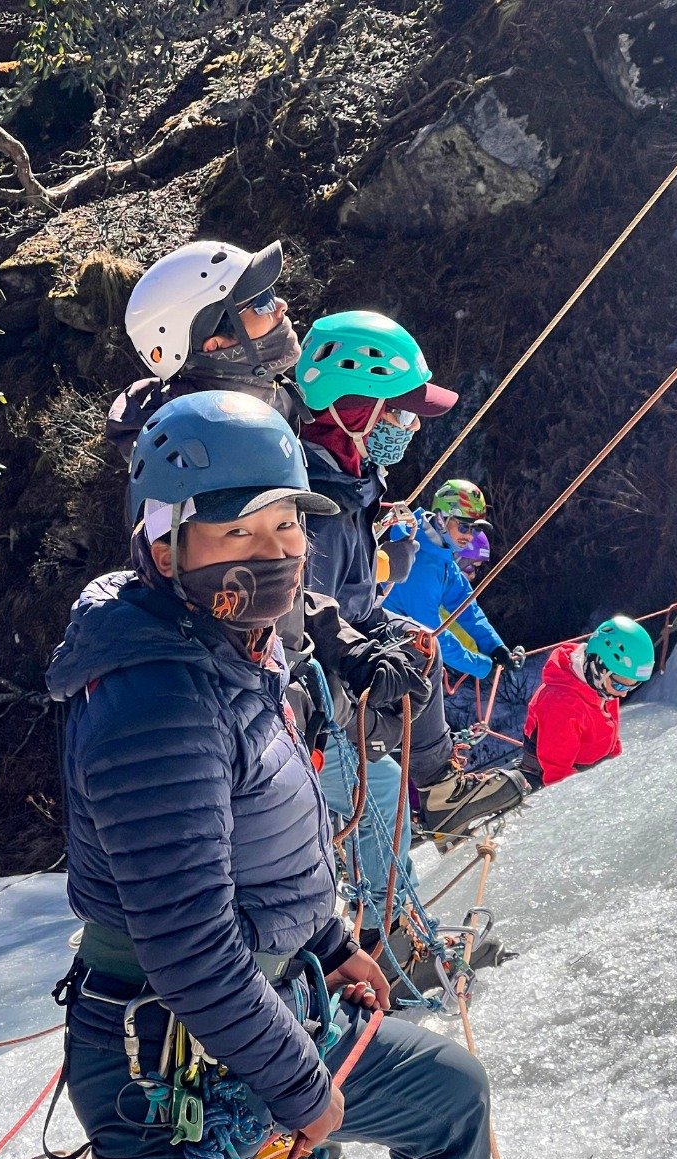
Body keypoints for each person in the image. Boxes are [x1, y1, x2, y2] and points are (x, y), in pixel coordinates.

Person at [46, 390, 615, 1159]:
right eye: (239, 529)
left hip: (256, 1010)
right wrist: (300, 1087)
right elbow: (187, 945)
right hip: (167, 1061)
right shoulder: (155, 703)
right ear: (166, 540)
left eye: (285, 524)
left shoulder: (226, 644)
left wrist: (331, 940)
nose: (270, 551)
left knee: (445, 1096)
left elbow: (265, 844)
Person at [109, 245, 429, 922]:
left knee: (359, 796)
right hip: (243, 691)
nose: (280, 310)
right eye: (257, 305)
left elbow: (272, 569)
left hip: (271, 672)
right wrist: (337, 640)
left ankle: (366, 940)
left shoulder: (238, 419)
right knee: (343, 807)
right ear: (214, 338)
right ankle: (376, 941)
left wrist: (338, 637)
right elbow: (237, 577)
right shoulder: (202, 446)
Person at [296, 312, 528, 842]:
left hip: (354, 661)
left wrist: (381, 574)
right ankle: (386, 917)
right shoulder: (320, 502)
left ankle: (441, 788)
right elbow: (312, 620)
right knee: (379, 803)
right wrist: (378, 724)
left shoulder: (352, 482)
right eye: (402, 413)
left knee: (418, 645)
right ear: (356, 410)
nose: (415, 425)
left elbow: (455, 605)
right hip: (329, 684)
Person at [107, 238, 307, 461]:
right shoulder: (184, 450)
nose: (281, 305)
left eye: (271, 291)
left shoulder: (278, 399)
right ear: (216, 346)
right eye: (263, 301)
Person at [385, 478, 522, 683]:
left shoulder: (440, 553)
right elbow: (433, 634)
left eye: (476, 530)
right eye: (465, 527)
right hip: (387, 648)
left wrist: (495, 647)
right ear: (440, 519)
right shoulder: (421, 565)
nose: (470, 536)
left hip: (403, 650)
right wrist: (482, 666)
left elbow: (465, 605)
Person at [521, 616, 655, 790]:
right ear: (599, 668)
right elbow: (557, 776)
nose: (623, 693)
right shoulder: (561, 705)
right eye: (619, 684)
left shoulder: (602, 686)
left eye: (634, 685)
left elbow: (611, 730)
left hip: (590, 768)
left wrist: (617, 764)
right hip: (556, 777)